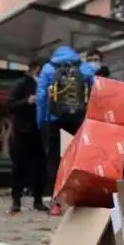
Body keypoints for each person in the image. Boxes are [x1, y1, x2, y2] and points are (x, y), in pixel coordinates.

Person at [37, 45, 95, 214]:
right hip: (78, 120)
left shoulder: (48, 69)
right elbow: (94, 95)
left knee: (54, 160)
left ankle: (55, 203)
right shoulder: (85, 69)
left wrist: (41, 121)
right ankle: (76, 199)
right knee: (76, 159)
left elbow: (41, 98)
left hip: (54, 120)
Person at [6, 58, 48, 213]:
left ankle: (38, 199)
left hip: (41, 131)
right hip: (23, 131)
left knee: (40, 167)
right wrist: (26, 101)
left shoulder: (48, 85)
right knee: (20, 166)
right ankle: (16, 200)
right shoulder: (22, 84)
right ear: (35, 69)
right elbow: (10, 105)